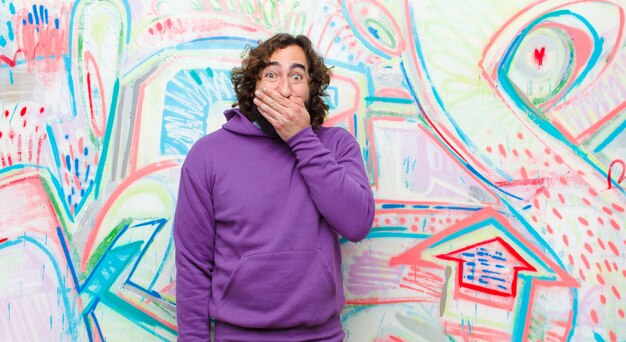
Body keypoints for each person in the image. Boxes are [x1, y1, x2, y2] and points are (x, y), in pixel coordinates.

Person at [173, 33, 375, 341]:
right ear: (253, 86)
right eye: (271, 74)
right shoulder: (208, 155)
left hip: (320, 335)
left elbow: (357, 224)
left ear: (311, 88)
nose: (284, 88)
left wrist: (302, 138)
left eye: (297, 75)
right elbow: (192, 265)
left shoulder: (336, 146)